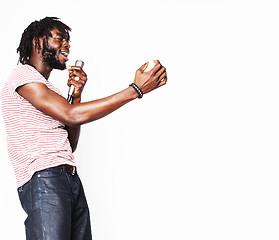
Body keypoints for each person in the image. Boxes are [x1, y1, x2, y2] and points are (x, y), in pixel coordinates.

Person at [1, 17, 167, 240]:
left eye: (68, 41)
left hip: (67, 178)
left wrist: (76, 96)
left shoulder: (51, 91)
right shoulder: (23, 77)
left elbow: (70, 143)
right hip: (44, 180)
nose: (67, 45)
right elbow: (71, 114)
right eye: (60, 39)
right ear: (36, 41)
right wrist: (134, 90)